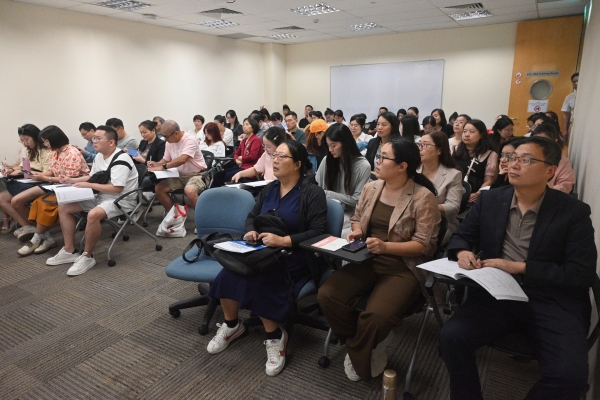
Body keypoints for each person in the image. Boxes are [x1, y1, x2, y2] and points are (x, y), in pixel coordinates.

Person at [440, 136, 596, 400]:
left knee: (570, 376)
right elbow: (461, 236)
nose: (513, 165)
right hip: (497, 295)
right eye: (511, 158)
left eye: (525, 160)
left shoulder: (573, 212)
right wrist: (463, 251)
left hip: (551, 300)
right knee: (451, 337)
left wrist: (520, 267)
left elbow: (580, 273)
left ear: (550, 171)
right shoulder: (491, 200)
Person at [318, 138, 441, 381]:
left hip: (402, 268)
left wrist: (386, 246)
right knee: (327, 295)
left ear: (402, 166)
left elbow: (424, 245)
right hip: (366, 259)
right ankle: (366, 342)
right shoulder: (372, 188)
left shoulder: (422, 197)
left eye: (384, 157)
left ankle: (361, 347)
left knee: (376, 317)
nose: (378, 161)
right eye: (379, 156)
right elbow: (357, 218)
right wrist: (358, 231)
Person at [206, 140, 327, 377]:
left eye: (282, 157)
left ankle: (275, 335)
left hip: (295, 254)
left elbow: (319, 232)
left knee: (262, 277)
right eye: (274, 156)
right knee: (228, 272)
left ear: (298, 164)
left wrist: (283, 241)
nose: (275, 160)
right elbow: (252, 216)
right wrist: (251, 230)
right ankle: (232, 325)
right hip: (263, 249)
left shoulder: (312, 192)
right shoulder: (271, 188)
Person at [45, 126, 138, 276]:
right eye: (94, 138)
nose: (94, 141)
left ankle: (87, 256)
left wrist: (89, 185)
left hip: (122, 199)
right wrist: (71, 180)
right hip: (101, 195)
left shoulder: (122, 159)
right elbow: (92, 177)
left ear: (111, 142)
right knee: (64, 206)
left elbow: (117, 188)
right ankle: (69, 250)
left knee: (93, 214)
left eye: (98, 138)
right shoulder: (100, 156)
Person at [15, 125, 90, 256]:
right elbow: (52, 171)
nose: (45, 144)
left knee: (45, 203)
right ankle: (44, 237)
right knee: (36, 202)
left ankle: (37, 238)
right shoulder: (55, 152)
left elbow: (69, 179)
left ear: (54, 139)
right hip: (57, 185)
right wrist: (40, 175)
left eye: (46, 141)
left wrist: (46, 178)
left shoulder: (72, 152)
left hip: (74, 187)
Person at [315, 123, 371, 234]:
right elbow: (315, 189)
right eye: (328, 145)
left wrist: (326, 193)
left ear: (345, 143)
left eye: (333, 145)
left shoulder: (363, 166)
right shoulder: (327, 160)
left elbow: (356, 200)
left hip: (350, 216)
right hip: (323, 211)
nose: (330, 149)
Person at [0, 124, 51, 241]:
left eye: (26, 140)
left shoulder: (46, 151)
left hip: (43, 182)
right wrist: (10, 170)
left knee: (16, 201)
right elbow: (22, 166)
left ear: (35, 137)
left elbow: (47, 173)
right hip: (29, 181)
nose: (24, 143)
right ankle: (27, 226)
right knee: (1, 198)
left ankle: (40, 229)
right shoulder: (29, 151)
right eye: (22, 140)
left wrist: (27, 172)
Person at [148, 120, 207, 212]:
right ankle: (174, 215)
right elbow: (166, 159)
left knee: (190, 191)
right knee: (159, 188)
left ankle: (202, 218)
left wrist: (163, 166)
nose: (165, 139)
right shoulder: (169, 142)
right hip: (179, 175)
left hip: (197, 175)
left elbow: (183, 159)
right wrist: (157, 164)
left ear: (175, 133)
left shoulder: (190, 140)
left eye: (166, 136)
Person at [417, 130, 464, 244]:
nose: (420, 148)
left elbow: (453, 207)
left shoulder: (453, 175)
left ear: (439, 150)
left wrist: (424, 207)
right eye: (419, 144)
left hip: (440, 223)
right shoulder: (413, 170)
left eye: (425, 145)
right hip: (412, 220)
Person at [452, 119, 498, 202]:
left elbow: (489, 180)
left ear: (481, 135)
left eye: (471, 132)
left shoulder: (490, 154)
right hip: (453, 193)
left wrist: (478, 193)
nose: (466, 135)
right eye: (464, 131)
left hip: (474, 196)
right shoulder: (454, 149)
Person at [212, 118, 264, 187]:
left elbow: (252, 156)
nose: (244, 126)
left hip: (250, 168)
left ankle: (226, 192)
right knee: (219, 175)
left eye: (247, 124)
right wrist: (236, 159)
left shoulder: (256, 140)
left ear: (253, 127)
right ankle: (214, 192)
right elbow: (236, 153)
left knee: (229, 175)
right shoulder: (244, 140)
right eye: (243, 125)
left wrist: (242, 158)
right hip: (242, 166)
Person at [530, 123, 575, 194]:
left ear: (554, 142)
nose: (540, 145)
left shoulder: (562, 161)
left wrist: (544, 191)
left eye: (545, 142)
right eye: (536, 141)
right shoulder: (525, 158)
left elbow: (565, 186)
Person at [561, 72, 578, 140]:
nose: (576, 83)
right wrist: (565, 130)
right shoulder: (569, 97)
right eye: (574, 82)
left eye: (578, 81)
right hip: (573, 124)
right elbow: (566, 114)